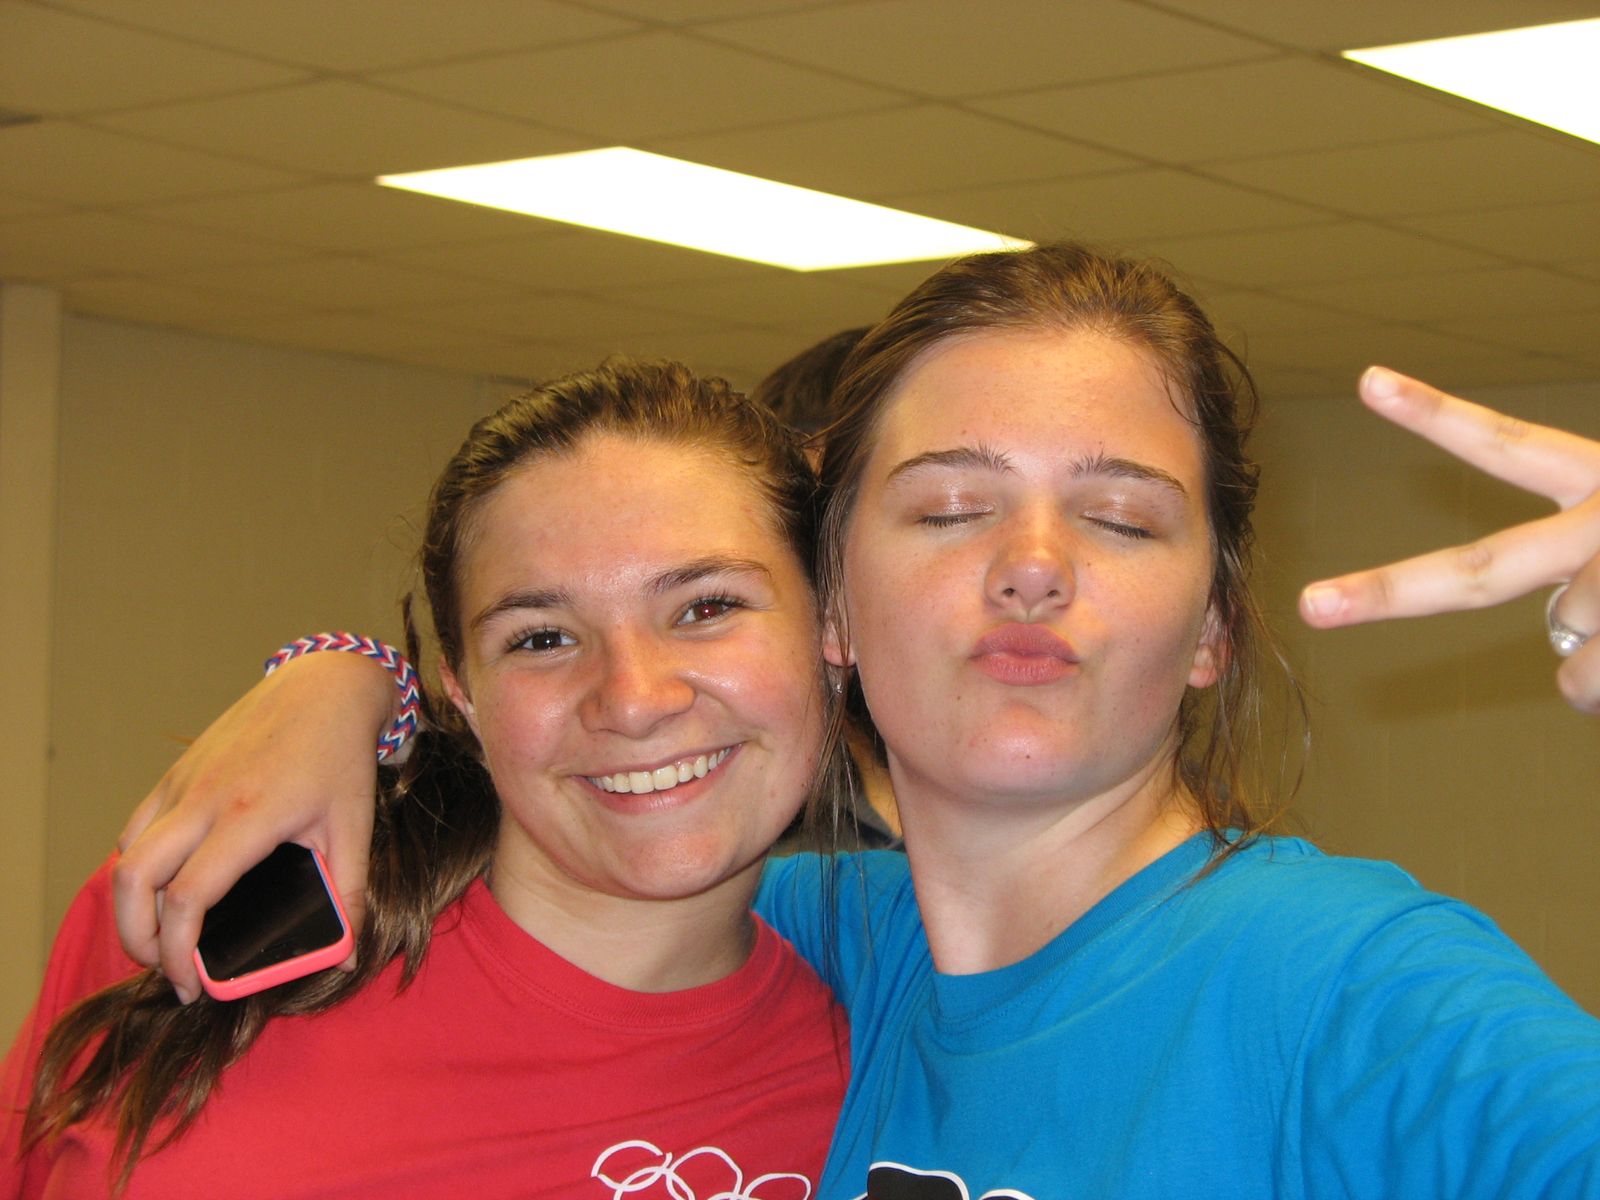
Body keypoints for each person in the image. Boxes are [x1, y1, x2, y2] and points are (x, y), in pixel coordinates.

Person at [47, 244, 1600, 1197]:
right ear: (841, 617)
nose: (1034, 568)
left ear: (1214, 628)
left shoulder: (1353, 985)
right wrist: (346, 682)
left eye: (1123, 519)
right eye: (950, 508)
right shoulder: (818, 942)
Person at [2, 360, 849, 1197]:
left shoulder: (868, 1080)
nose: (632, 700)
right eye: (542, 638)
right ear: (463, 692)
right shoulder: (200, 899)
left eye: (706, 608)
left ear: (832, 632)